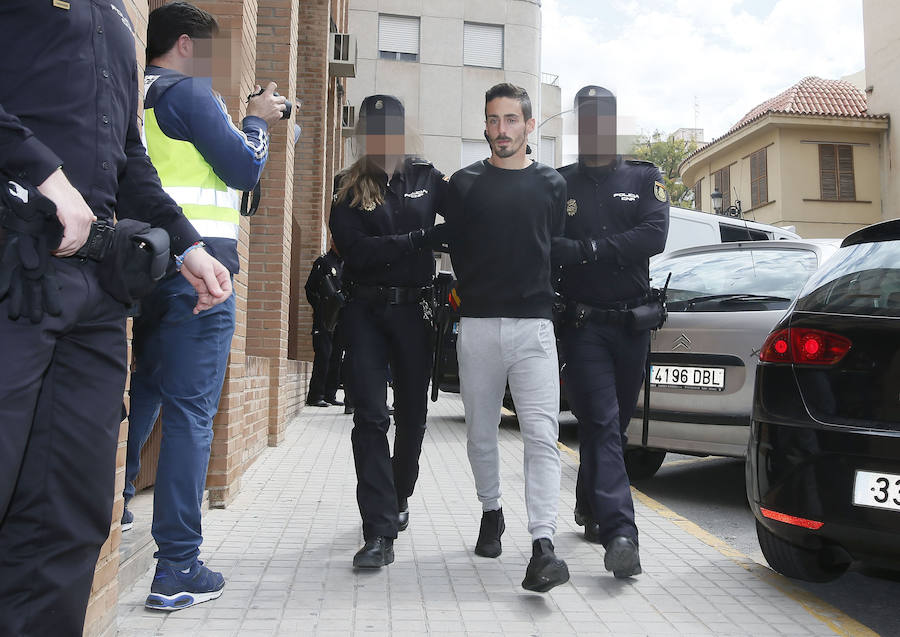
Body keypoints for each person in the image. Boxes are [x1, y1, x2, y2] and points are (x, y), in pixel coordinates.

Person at [0, 2, 233, 634]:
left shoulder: (114, 18)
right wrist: (39, 170)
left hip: (95, 291)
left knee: (71, 515)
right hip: (13, 266)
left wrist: (187, 246)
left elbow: (127, 158)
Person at [118, 2, 287, 611]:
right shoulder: (189, 93)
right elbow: (244, 168)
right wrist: (258, 120)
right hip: (199, 277)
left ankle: (119, 515)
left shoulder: (132, 91)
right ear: (187, 45)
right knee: (191, 414)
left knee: (148, 394)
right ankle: (177, 568)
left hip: (143, 265)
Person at [441, 83, 570, 592]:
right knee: (480, 435)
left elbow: (551, 244)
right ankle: (491, 510)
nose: (501, 131)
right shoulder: (466, 185)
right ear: (485, 126)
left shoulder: (551, 184)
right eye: (493, 121)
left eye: (511, 120)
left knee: (542, 436)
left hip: (535, 326)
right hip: (477, 326)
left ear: (529, 126)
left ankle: (543, 544)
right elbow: (455, 242)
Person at [555, 85, 669, 578]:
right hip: (583, 327)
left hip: (632, 326)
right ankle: (621, 531)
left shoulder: (643, 177)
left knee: (613, 425)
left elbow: (654, 235)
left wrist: (590, 250)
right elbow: (546, 243)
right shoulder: (559, 184)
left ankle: (587, 503)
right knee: (601, 423)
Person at [329, 94, 446, 568]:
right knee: (372, 416)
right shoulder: (347, 186)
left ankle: (397, 497)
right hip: (366, 312)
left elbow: (471, 221)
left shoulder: (427, 179)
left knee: (413, 414)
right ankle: (377, 531)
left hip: (415, 312)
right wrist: (419, 241)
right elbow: (356, 253)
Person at [305, 245, 346, 407]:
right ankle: (316, 396)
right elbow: (310, 289)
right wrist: (320, 308)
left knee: (336, 356)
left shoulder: (345, 264)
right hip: (324, 319)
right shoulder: (323, 262)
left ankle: (330, 394)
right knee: (324, 355)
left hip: (340, 319)